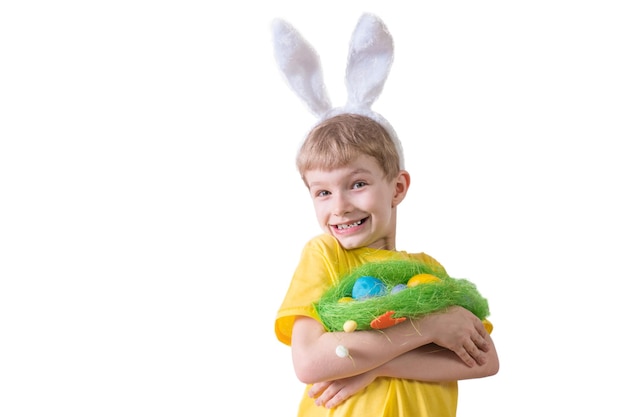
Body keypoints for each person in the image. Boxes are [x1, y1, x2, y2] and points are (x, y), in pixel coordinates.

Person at [271, 14, 499, 417]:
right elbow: (309, 362)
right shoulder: (327, 255)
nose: (338, 205)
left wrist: (371, 366)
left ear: (397, 187)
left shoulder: (428, 272)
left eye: (357, 184)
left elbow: (484, 361)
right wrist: (429, 329)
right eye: (322, 192)